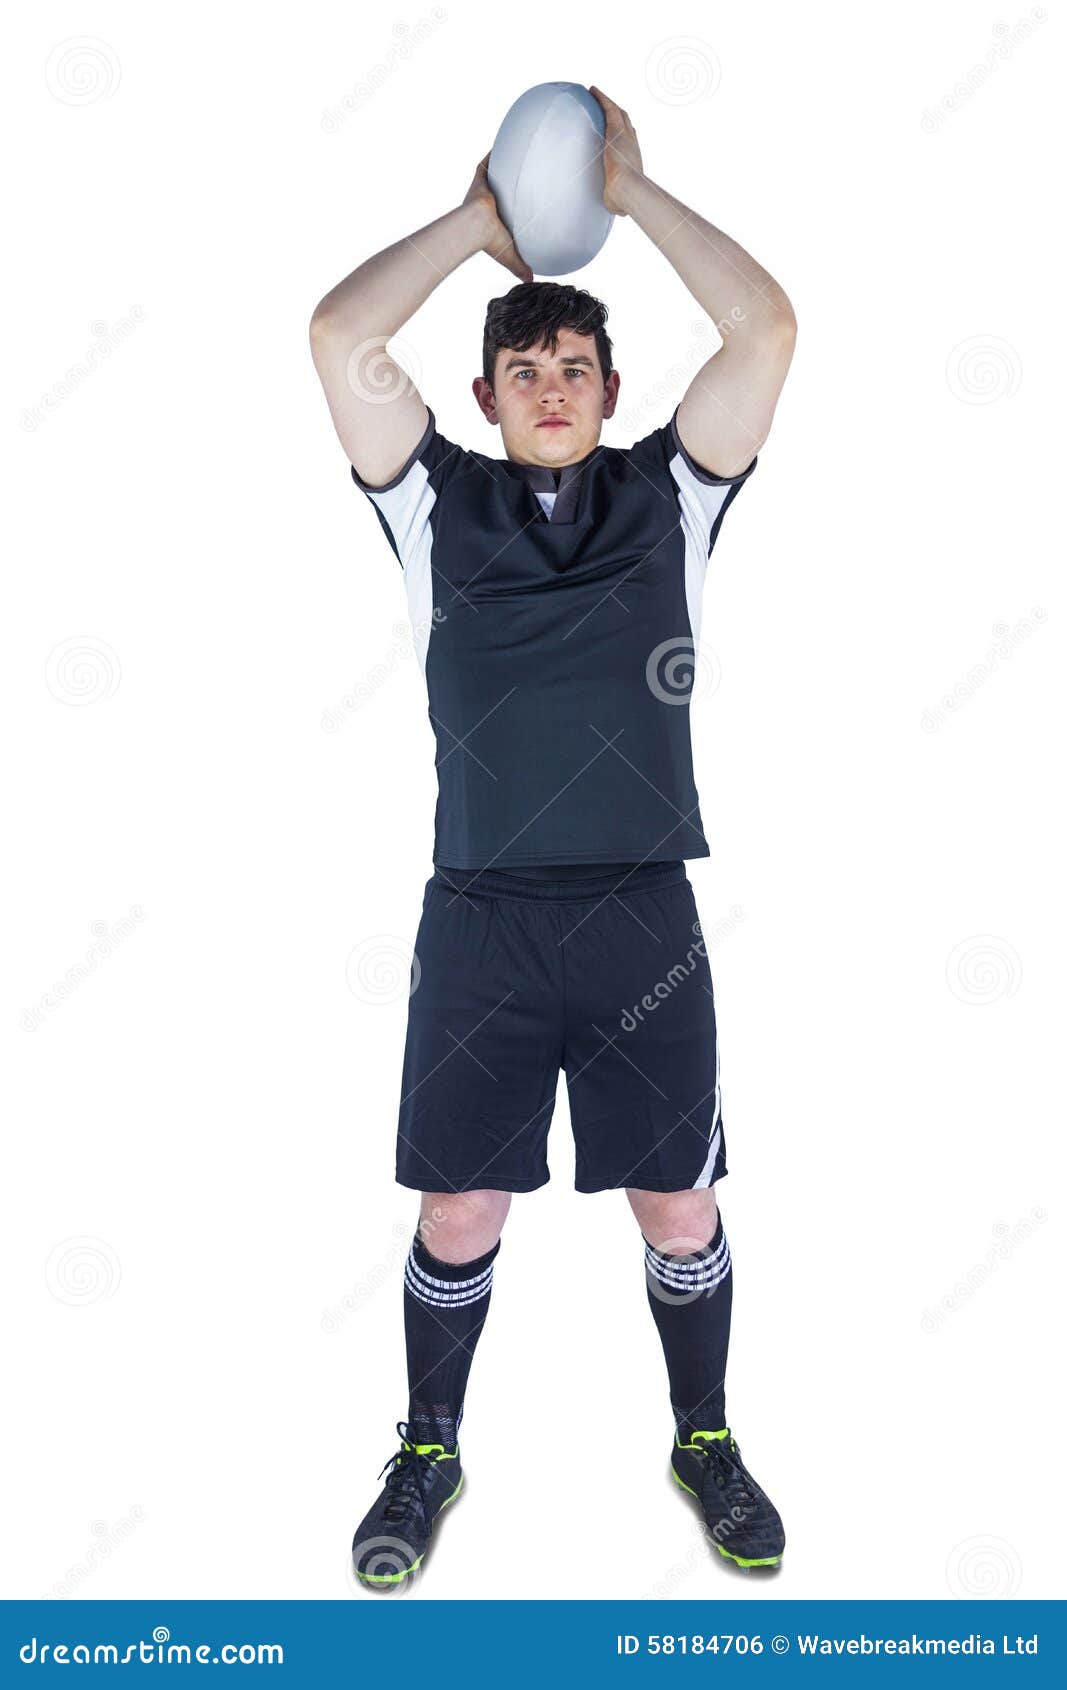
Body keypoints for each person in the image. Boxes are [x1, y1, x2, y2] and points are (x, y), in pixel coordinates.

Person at [309, 86, 796, 1588]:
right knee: (460, 1204)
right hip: (484, 917)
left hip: (643, 908)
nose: (551, 386)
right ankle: (429, 1446)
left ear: (607, 381)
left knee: (679, 1198)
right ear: (485, 392)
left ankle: (703, 1434)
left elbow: (767, 333)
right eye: (523, 368)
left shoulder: (674, 497)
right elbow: (338, 339)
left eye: (574, 365)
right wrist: (478, 225)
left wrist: (630, 196)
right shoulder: (434, 509)